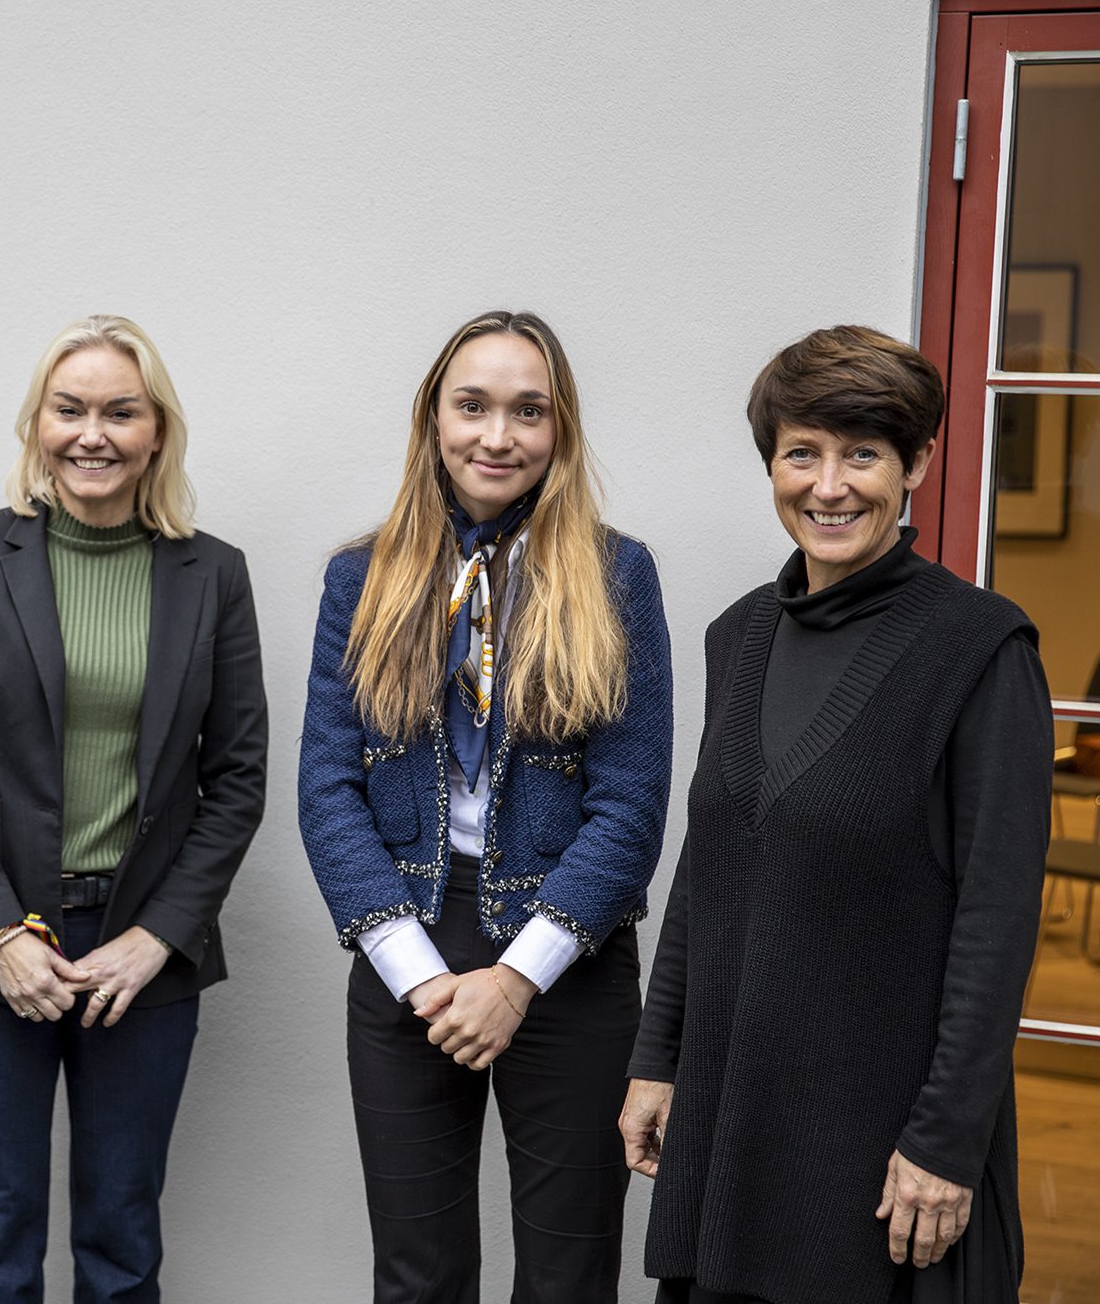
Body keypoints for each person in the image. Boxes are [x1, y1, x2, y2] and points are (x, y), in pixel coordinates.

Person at [618, 325, 1052, 1304]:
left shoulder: (978, 650)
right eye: (800, 452)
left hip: (880, 1148)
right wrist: (657, 1058)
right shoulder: (738, 635)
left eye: (861, 453)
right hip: (735, 1124)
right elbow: (704, 867)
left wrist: (943, 1140)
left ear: (916, 463)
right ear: (770, 462)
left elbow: (995, 923)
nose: (827, 485)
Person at [0, 314, 267, 1303]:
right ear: (36, 424)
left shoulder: (211, 573)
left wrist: (158, 938)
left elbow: (236, 777)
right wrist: (1, 935)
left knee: (121, 1237)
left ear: (155, 433)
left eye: (118, 411)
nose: (90, 432)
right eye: (68, 409)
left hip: (140, 948)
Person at [300, 310, 674, 1302]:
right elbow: (325, 787)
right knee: (416, 1275)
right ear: (433, 419)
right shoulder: (360, 575)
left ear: (561, 430)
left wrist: (515, 977)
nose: (495, 436)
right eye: (471, 406)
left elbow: (629, 809)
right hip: (405, 948)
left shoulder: (615, 575)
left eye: (526, 411)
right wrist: (421, 979)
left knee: (568, 1271)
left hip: (568, 958)